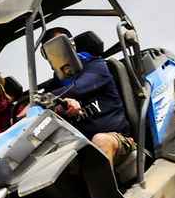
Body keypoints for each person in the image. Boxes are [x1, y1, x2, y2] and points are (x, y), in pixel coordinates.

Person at [40, 27, 134, 165]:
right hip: (80, 148)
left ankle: (102, 179)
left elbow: (78, 88)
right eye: (48, 52)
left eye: (58, 47)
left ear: (71, 45)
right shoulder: (53, 87)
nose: (55, 54)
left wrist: (48, 99)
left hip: (117, 140)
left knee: (100, 141)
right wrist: (56, 107)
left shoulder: (96, 67)